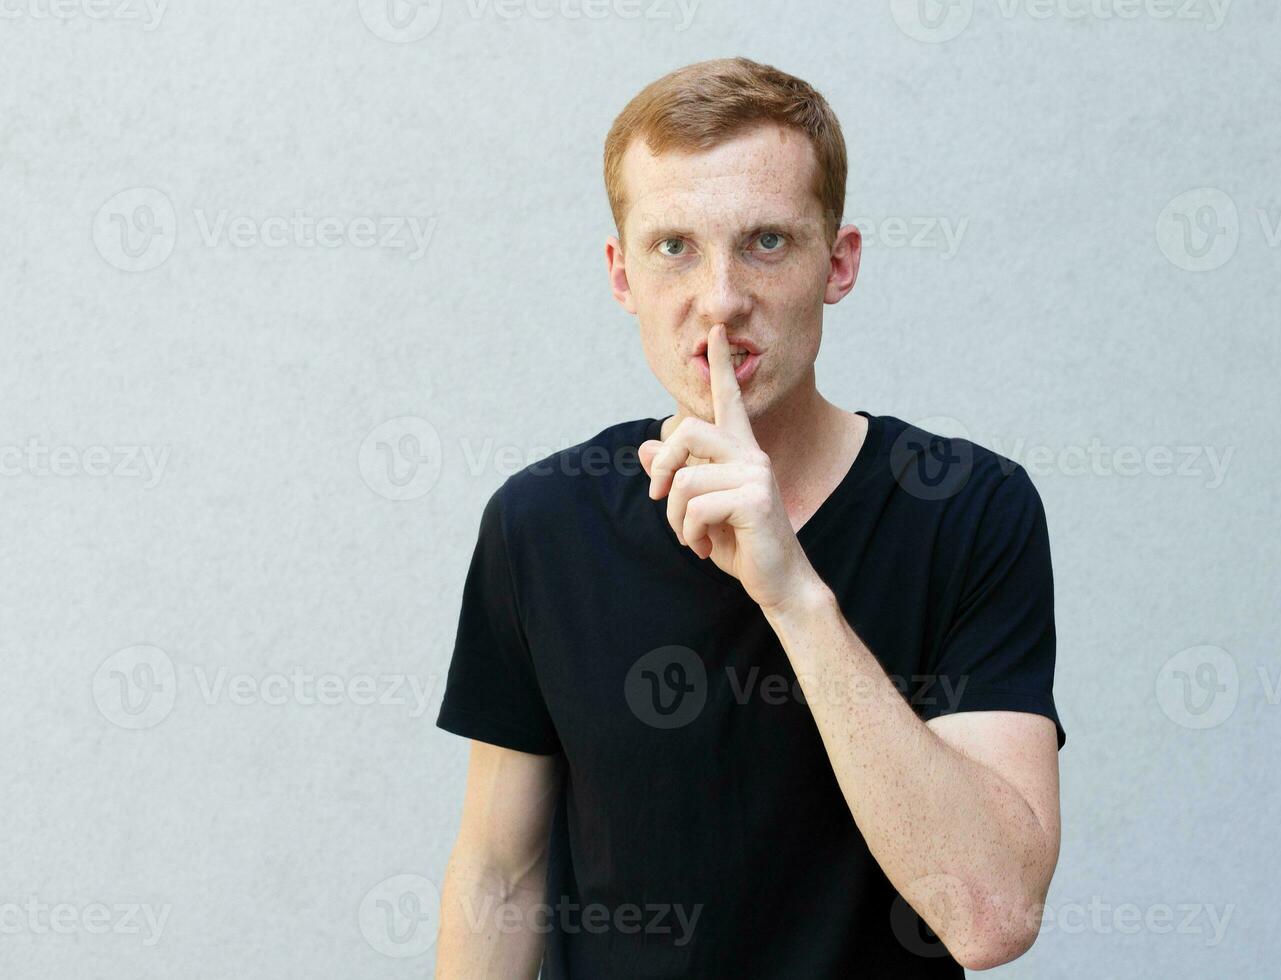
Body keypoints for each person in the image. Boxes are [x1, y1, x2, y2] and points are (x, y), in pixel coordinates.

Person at [433, 56, 1065, 979]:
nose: (720, 300)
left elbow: (992, 916)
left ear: (837, 263)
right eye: (673, 247)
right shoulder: (542, 524)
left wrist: (794, 594)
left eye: (766, 242)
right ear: (622, 275)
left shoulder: (968, 508)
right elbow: (500, 873)